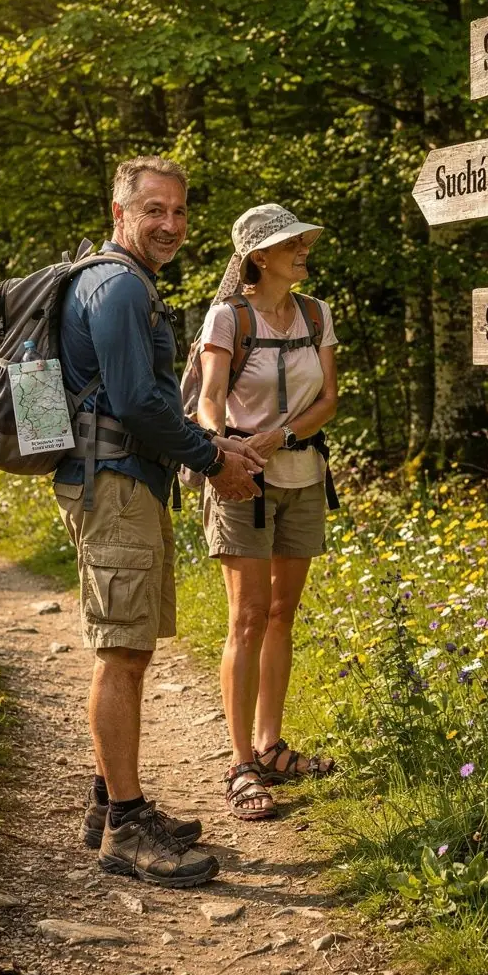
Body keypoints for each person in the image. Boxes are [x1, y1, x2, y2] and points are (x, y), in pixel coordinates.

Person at [54, 155, 263, 886]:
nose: (170, 224)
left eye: (178, 211)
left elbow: (144, 402)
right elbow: (139, 401)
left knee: (131, 647)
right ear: (119, 214)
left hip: (124, 481)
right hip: (111, 485)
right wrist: (215, 462)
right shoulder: (115, 289)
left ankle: (111, 798)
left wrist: (210, 441)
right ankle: (126, 829)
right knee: (121, 649)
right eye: (153, 210)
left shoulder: (125, 284)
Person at [196, 204, 338, 821]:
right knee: (247, 619)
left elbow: (329, 398)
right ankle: (240, 764)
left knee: (283, 612)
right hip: (241, 482)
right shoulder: (228, 317)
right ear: (259, 256)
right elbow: (207, 399)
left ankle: (270, 745)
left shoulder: (316, 314)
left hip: (303, 476)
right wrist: (223, 448)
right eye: (291, 244)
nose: (304, 250)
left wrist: (280, 436)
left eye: (304, 241)